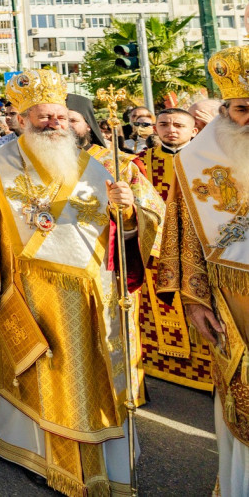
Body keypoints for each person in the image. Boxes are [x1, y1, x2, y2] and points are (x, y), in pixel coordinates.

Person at [0, 69, 161, 497]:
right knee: (37, 372)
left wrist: (129, 214)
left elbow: (153, 220)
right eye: (41, 116)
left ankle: (104, 460)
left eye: (58, 116)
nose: (52, 123)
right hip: (30, 292)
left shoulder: (107, 164)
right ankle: (35, 453)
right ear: (22, 118)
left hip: (97, 294)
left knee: (97, 378)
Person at [156, 47, 249, 496]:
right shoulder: (194, 162)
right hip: (232, 304)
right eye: (242, 109)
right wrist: (194, 301)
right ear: (226, 111)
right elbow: (186, 235)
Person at [129, 107, 213, 394]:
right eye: (163, 124)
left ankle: (210, 369)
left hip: (198, 250)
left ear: (194, 130)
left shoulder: (210, 162)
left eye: (178, 124)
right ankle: (157, 363)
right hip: (155, 250)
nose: (170, 129)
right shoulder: (138, 164)